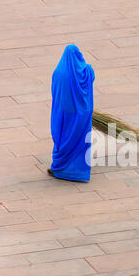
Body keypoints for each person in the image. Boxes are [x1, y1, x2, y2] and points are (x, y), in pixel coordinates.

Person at [48, 44, 95, 182]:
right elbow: (91, 75)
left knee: (64, 138)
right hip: (83, 114)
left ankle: (60, 167)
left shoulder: (58, 73)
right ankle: (79, 172)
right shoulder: (86, 71)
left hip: (66, 114)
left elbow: (55, 93)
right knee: (80, 140)